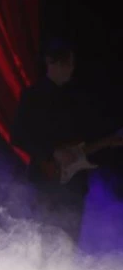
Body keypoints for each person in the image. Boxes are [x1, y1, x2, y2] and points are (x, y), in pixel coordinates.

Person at [10, 37, 123, 245]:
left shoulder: (77, 98)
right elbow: (18, 135)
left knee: (70, 243)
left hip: (74, 186)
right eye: (68, 63)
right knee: (46, 242)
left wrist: (108, 142)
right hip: (45, 182)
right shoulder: (32, 96)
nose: (72, 69)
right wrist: (51, 152)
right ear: (52, 63)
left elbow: (85, 139)